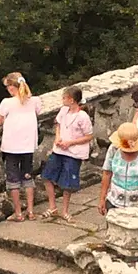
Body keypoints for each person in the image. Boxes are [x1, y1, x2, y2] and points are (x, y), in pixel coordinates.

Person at [39, 86, 93, 221]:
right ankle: (52, 206)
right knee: (47, 176)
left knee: (67, 183)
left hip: (73, 153)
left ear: (72, 100)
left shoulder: (82, 116)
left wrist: (70, 143)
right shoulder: (63, 110)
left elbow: (88, 136)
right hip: (59, 150)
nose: (62, 100)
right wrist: (57, 137)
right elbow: (58, 124)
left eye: (64, 98)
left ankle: (65, 210)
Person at [0, 72, 40, 223]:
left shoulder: (7, 102)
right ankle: (31, 211)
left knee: (13, 179)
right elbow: (37, 113)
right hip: (28, 145)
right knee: (27, 177)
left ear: (11, 87)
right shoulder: (34, 101)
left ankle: (18, 213)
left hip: (11, 146)